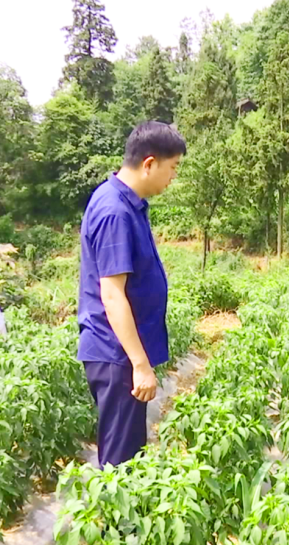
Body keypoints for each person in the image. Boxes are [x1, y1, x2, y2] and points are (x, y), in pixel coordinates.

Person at [77, 121, 185, 468]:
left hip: (120, 353)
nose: (173, 177)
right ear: (150, 163)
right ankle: (115, 523)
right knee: (120, 464)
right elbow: (111, 294)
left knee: (131, 454)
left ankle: (126, 520)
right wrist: (140, 365)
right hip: (116, 354)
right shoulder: (114, 211)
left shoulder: (127, 203)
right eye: (173, 168)